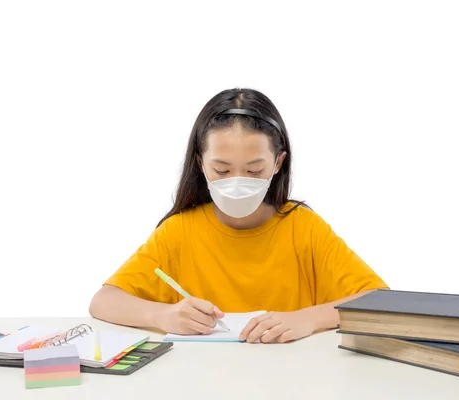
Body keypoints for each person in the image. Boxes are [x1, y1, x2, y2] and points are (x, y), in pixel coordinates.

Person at [89, 88, 388, 343]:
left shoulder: (303, 228)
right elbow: (104, 302)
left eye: (254, 170)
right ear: (200, 163)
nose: (237, 181)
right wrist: (164, 315)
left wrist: (308, 319)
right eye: (222, 170)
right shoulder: (179, 231)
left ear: (278, 163)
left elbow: (380, 302)